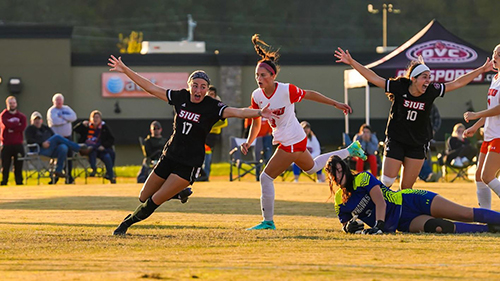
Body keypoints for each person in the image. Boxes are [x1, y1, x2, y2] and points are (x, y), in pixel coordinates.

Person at [107, 55, 277, 236]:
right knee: (143, 196)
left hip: (189, 162)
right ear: (189, 86)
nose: (198, 89)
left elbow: (237, 111)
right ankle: (178, 193)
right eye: (195, 85)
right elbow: (150, 87)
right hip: (170, 155)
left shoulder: (212, 106)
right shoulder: (180, 97)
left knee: (154, 200)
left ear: (207, 89)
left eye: (203, 87)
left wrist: (259, 112)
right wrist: (125, 70)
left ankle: (126, 224)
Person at [243, 35, 366, 230]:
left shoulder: (285, 90)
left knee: (266, 177)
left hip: (291, 140)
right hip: (292, 140)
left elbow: (309, 94)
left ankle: (268, 222)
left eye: (263, 75)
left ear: (273, 76)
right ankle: (351, 150)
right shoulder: (256, 96)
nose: (259, 79)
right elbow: (256, 122)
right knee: (313, 168)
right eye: (257, 75)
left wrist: (335, 103)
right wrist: (249, 142)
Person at [335, 47, 494, 190]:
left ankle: (400, 219)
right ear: (413, 78)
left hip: (418, 142)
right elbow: (374, 78)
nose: (428, 81)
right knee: (387, 182)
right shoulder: (400, 86)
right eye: (424, 77)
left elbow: (457, 82)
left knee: (406, 188)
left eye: (429, 77)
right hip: (397, 139)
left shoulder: (431, 90)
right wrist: (352, 62)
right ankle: (379, 214)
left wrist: (480, 70)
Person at [326, 155, 500, 234]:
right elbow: (345, 222)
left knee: (465, 213)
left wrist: (378, 225)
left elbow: (380, 202)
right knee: (439, 228)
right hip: (402, 221)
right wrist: (347, 228)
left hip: (409, 201)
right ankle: (490, 230)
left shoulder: (362, 178)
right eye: (335, 174)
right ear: (331, 178)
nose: (339, 176)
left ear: (346, 169)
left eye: (341, 171)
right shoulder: (339, 200)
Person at [463, 43, 500, 210]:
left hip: (498, 136)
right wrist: (476, 126)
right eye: (494, 53)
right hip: (490, 135)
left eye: (498, 55)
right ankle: (486, 218)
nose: (494, 57)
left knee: (487, 176)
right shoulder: (495, 78)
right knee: (479, 177)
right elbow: (491, 110)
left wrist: (476, 115)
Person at [25, 111, 86, 180]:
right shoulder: (29, 130)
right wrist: (41, 143)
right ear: (31, 121)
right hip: (39, 150)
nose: (37, 121)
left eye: (38, 119)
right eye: (35, 120)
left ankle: (58, 170)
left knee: (63, 147)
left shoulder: (46, 128)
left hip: (51, 149)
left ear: (41, 120)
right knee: (57, 137)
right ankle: (78, 148)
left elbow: (52, 137)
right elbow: (29, 141)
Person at [73, 110, 116, 184]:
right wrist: (82, 124)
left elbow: (111, 139)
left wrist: (104, 146)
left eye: (97, 117)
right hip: (87, 149)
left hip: (100, 149)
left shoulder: (104, 127)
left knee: (107, 156)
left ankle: (110, 176)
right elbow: (75, 130)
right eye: (93, 117)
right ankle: (94, 169)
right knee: (92, 151)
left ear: (100, 119)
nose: (95, 119)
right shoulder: (87, 127)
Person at [197, 86, 228, 181]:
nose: (210, 96)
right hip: (204, 133)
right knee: (201, 154)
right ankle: (203, 174)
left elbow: (224, 123)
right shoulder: (203, 104)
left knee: (207, 153)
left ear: (215, 95)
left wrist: (210, 125)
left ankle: (205, 174)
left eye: (212, 94)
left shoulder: (218, 106)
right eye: (208, 94)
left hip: (212, 135)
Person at [47, 93, 78, 184]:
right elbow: (55, 121)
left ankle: (69, 177)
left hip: (68, 137)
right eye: (57, 100)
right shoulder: (52, 111)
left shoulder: (67, 108)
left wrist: (63, 117)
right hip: (56, 139)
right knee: (58, 158)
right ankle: (54, 177)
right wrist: (66, 120)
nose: (59, 102)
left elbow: (74, 117)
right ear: (53, 102)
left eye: (60, 100)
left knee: (69, 158)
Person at [0, 96, 27, 185]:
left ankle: (19, 182)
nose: (12, 105)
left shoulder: (21, 116)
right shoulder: (3, 115)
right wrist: (16, 126)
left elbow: (22, 127)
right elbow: (6, 125)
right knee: (5, 165)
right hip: (6, 144)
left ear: (16, 104)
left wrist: (12, 128)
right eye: (10, 103)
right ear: (7, 104)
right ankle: (4, 181)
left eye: (13, 103)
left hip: (18, 144)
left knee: (18, 164)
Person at [418, 104, 441, 182]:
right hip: (414, 137)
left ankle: (428, 175)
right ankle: (427, 174)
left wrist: (433, 130)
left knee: (426, 155)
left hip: (427, 137)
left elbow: (437, 120)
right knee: (419, 155)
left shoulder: (431, 106)